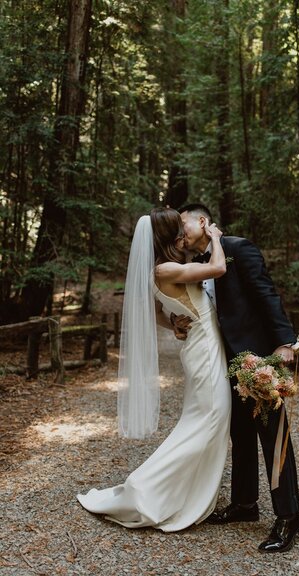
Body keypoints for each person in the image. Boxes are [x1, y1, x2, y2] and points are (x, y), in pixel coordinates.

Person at [77, 207, 231, 532]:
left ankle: (180, 492)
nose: (182, 230)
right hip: (204, 352)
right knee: (210, 421)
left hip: (201, 349)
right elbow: (217, 268)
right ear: (166, 235)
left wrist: (173, 322)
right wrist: (216, 237)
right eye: (178, 226)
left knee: (203, 423)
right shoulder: (165, 270)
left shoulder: (158, 271)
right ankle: (143, 489)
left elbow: (153, 311)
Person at [178, 203, 299, 553]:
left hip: (257, 354)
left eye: (183, 224)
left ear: (203, 222)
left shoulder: (237, 248)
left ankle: (290, 515)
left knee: (273, 432)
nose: (180, 232)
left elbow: (266, 293)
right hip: (223, 359)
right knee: (240, 431)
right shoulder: (196, 263)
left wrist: (283, 343)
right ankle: (246, 504)